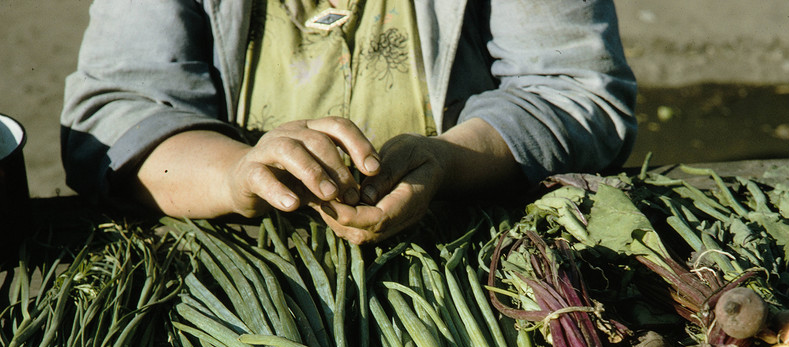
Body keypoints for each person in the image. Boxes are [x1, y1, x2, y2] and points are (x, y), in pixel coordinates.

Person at [61, 0, 638, 244]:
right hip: (237, 271)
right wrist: (235, 174)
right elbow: (115, 115)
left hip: (471, 249)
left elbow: (576, 91)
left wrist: (448, 161)